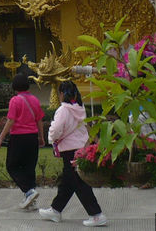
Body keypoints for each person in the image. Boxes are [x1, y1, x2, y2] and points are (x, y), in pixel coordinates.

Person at [38, 80, 107, 227]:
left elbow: (56, 129)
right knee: (68, 182)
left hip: (69, 150)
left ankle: (96, 214)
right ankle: (56, 209)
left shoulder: (63, 110)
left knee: (78, 182)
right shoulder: (79, 107)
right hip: (81, 147)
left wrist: (52, 138)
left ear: (62, 94)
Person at [0, 73, 45, 210]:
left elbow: (11, 120)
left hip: (19, 138)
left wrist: (1, 137)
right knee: (29, 168)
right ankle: (31, 199)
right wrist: (41, 137)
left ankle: (29, 192)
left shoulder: (15, 100)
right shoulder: (35, 100)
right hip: (32, 137)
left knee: (12, 166)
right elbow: (39, 121)